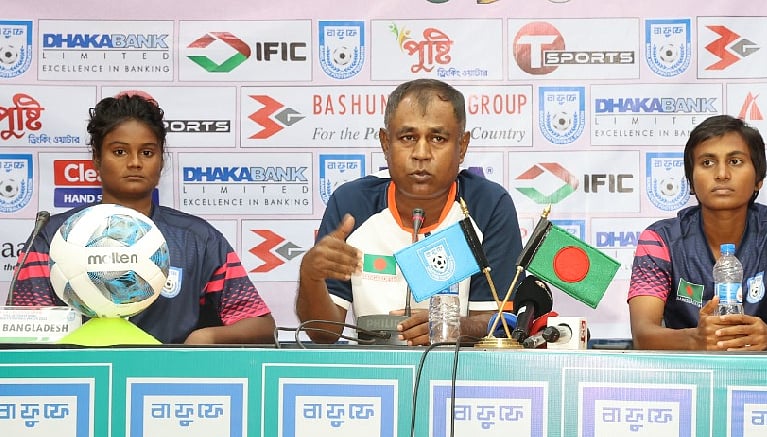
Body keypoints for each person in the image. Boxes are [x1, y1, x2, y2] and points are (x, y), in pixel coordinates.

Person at [8, 93, 275, 345]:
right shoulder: (53, 235)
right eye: (120, 152)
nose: (135, 162)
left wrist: (205, 338)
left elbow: (260, 325)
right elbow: (26, 329)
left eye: (147, 152)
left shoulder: (197, 239)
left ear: (161, 160)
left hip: (167, 384)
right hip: (78, 385)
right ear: (97, 159)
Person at [297, 79, 521, 345]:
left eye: (438, 138)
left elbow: (502, 324)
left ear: (461, 147)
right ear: (385, 143)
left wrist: (451, 327)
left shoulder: (488, 205)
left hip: (457, 374)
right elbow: (323, 332)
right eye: (408, 138)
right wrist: (310, 277)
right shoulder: (352, 204)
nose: (421, 153)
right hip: (374, 371)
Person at [627, 114, 767, 351]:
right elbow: (643, 336)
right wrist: (695, 339)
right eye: (707, 163)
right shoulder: (660, 240)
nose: (721, 174)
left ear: (759, 178)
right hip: (688, 378)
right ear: (690, 179)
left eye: (735, 161)